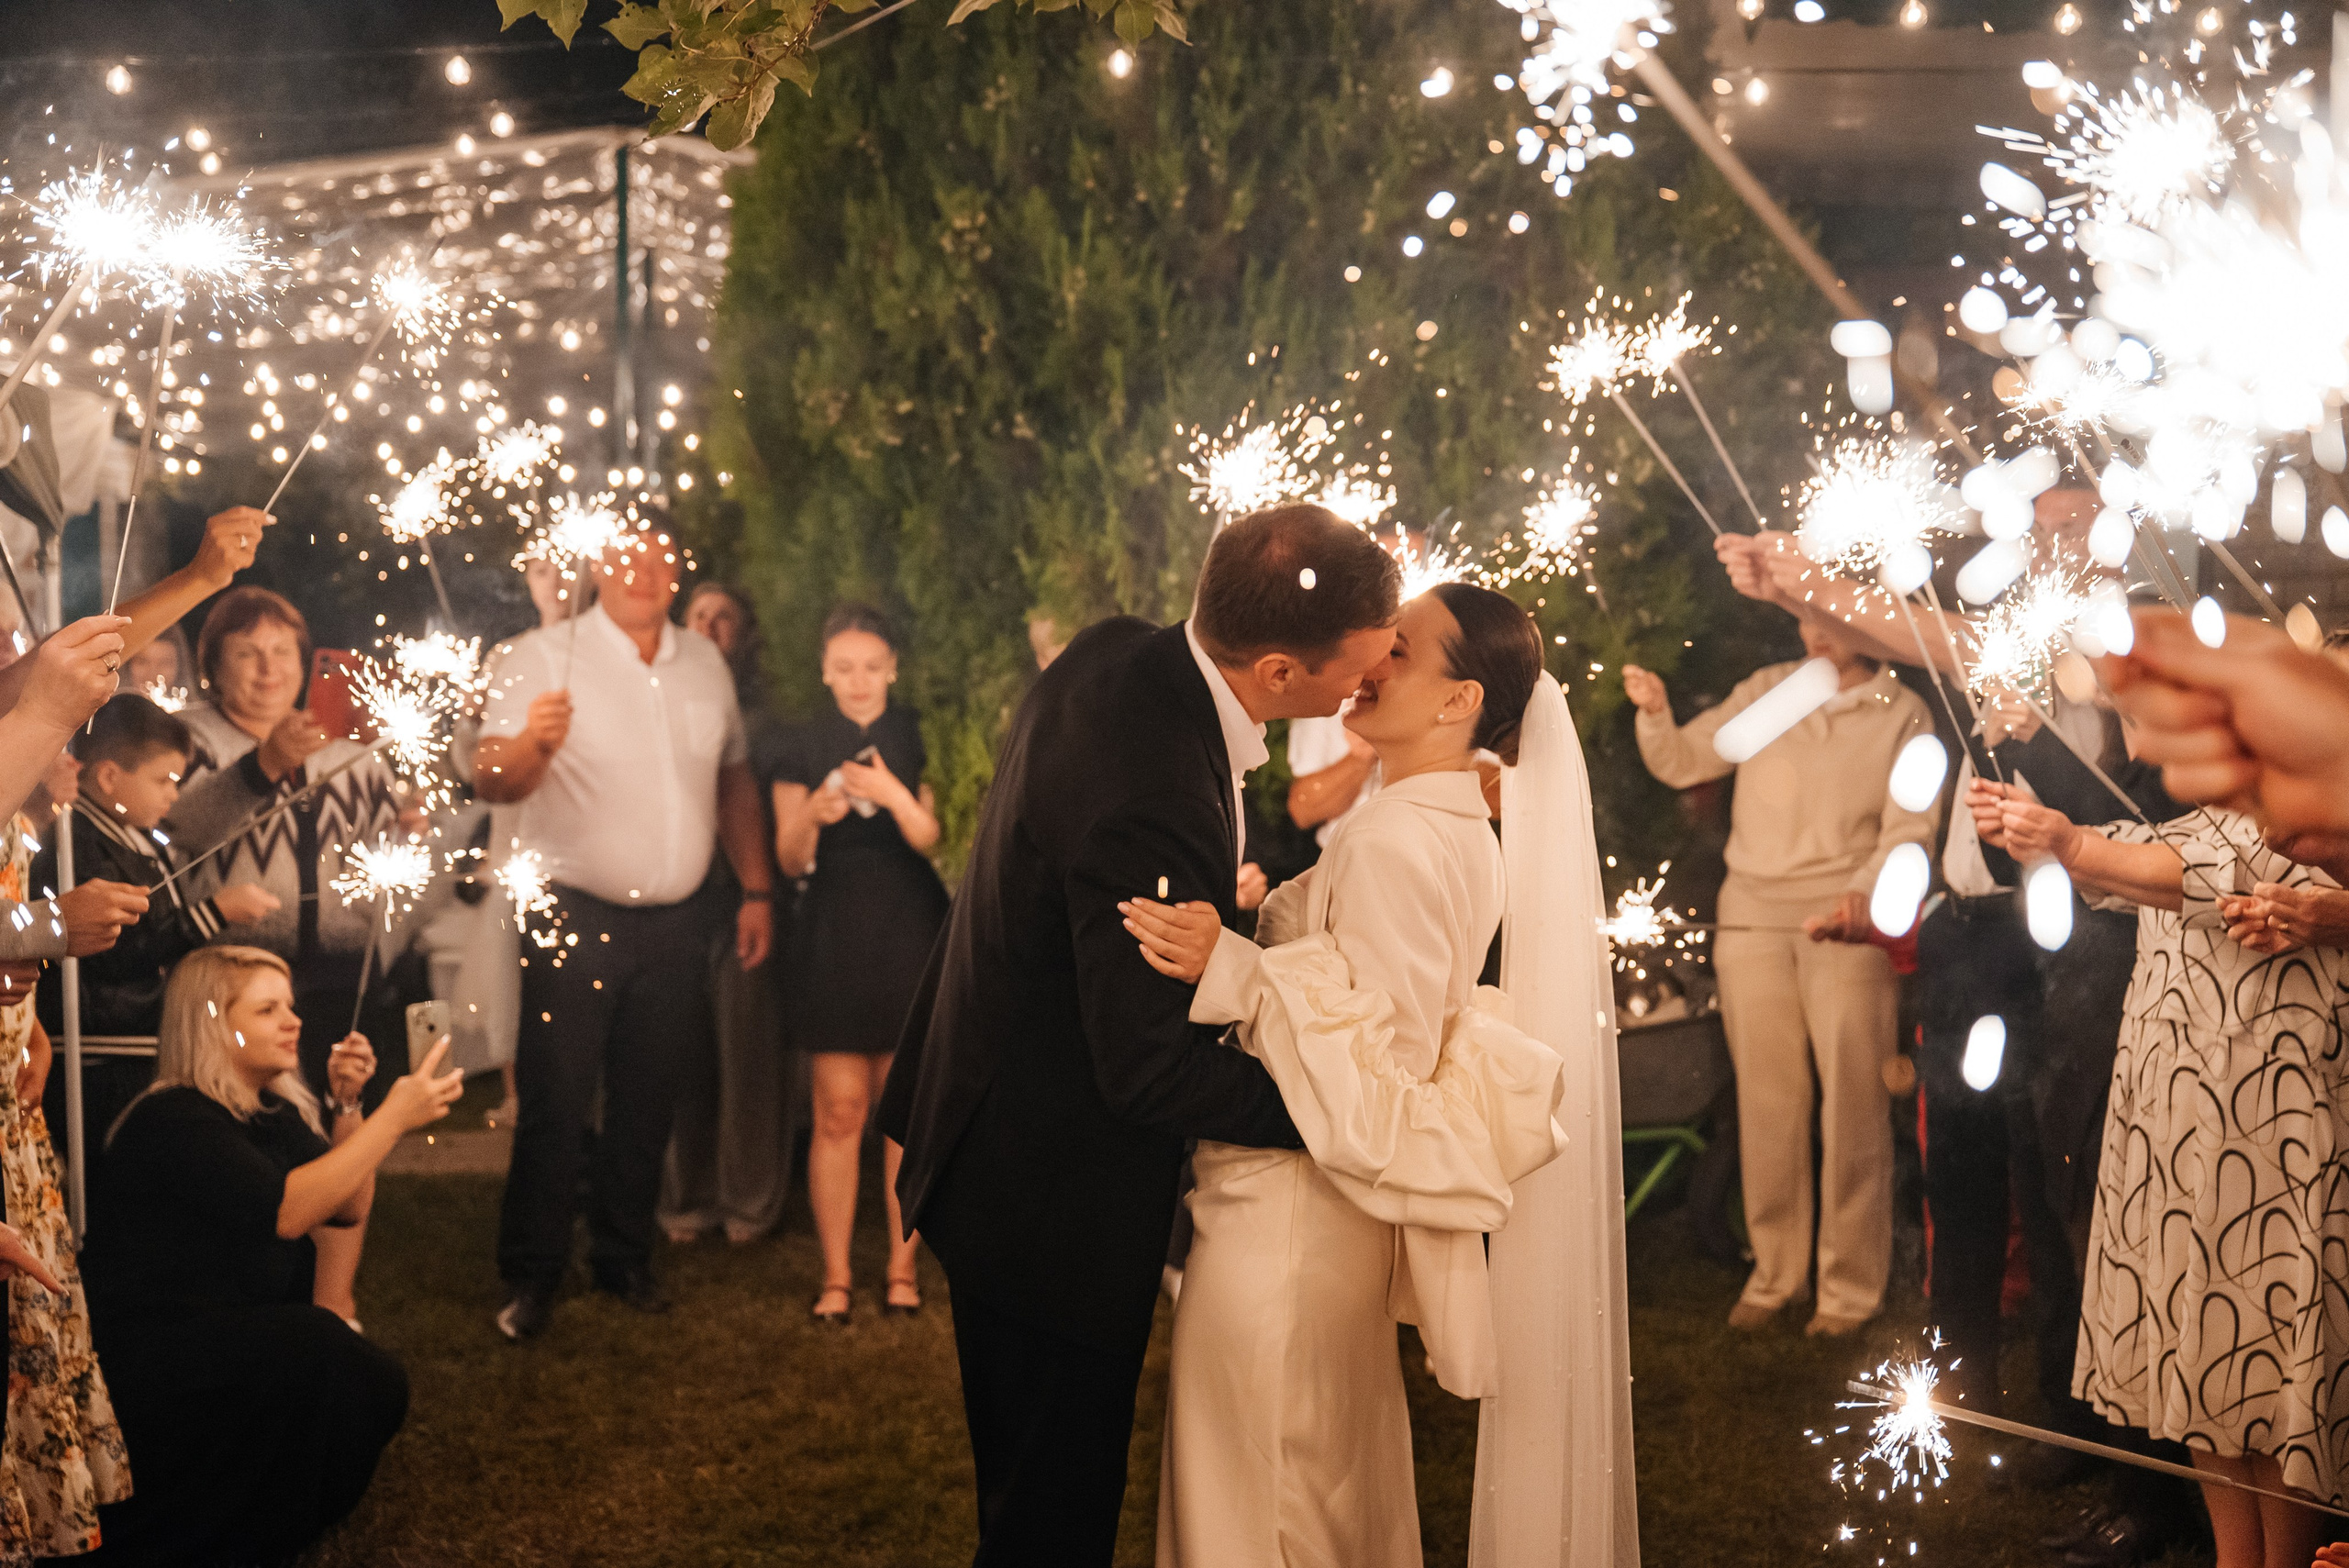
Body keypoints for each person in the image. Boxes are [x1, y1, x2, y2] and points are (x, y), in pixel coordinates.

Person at [875, 504, 1402, 1565]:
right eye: (1354, 667)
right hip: (1044, 1192)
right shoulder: (1153, 792)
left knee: (1029, 1493)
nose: (1367, 684)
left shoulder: (1122, 646)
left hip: (985, 1117)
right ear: (1274, 674)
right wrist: (1339, 1107)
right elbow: (1149, 1067)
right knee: (1049, 1517)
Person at [1120, 583, 1634, 1567]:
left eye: (1398, 651)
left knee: (1265, 1499)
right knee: (1315, 1489)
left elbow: (1381, 1084)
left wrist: (1235, 968)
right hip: (1319, 1224)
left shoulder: (1403, 838)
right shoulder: (1433, 825)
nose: (1367, 663)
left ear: (1457, 703)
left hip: (1294, 1226)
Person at [1973, 786, 2348, 1568]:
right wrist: (2056, 835)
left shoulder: (2315, 749)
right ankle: (2235, 1556)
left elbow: (2213, 869)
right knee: (2204, 1339)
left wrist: (2073, 843)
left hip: (2276, 1097)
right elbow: (2171, 846)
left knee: (2268, 1336)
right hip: (2185, 1099)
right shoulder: (2226, 770)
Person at [473, 521, 774, 1340]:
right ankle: (533, 1271)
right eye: (625, 556)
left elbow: (735, 776)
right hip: (575, 909)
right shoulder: (540, 656)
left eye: (658, 557)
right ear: (596, 567)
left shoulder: (703, 662)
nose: (642, 570)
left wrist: (756, 886)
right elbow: (490, 777)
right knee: (557, 1098)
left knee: (649, 1095)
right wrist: (534, 744)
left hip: (679, 916)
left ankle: (623, 1256)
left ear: (678, 571)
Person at [80, 945, 462, 1567]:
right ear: (212, 1021)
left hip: (234, 1338)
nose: (294, 1020)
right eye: (267, 1008)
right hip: (153, 1359)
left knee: (375, 1384)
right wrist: (394, 1118)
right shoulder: (173, 1116)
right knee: (318, 1344)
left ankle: (274, 1512)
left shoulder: (268, 1112)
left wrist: (348, 1106)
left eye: (289, 1004)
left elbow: (345, 1206)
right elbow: (287, 1210)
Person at [1622, 607, 1934, 1336]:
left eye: (1830, 620)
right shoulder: (1774, 689)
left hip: (1847, 921)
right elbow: (1686, 761)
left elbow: (1910, 830)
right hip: (1752, 913)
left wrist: (1864, 891)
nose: (1815, 636)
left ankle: (1849, 1289)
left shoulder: (1904, 714)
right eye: (1805, 621)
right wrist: (1658, 715)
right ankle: (1775, 1272)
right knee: (1767, 1098)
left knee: (1854, 1101)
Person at [167, 585, 409, 1330]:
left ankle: (334, 1296)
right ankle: (246, 1291)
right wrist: (261, 766)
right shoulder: (190, 739)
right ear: (213, 667)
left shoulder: (350, 749)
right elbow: (179, 830)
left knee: (343, 1122)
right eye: (247, 653)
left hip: (338, 971)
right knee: (248, 1133)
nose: (269, 670)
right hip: (236, 976)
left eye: (283, 653)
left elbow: (392, 860)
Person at [772, 604, 948, 1320]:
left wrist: (893, 795)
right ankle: (837, 1275)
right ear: (824, 670)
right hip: (834, 929)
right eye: (843, 667)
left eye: (871, 666)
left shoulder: (918, 734)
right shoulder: (800, 741)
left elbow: (934, 838)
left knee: (902, 1112)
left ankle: (902, 1269)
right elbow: (787, 856)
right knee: (840, 1109)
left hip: (910, 924)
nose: (858, 680)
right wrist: (814, 813)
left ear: (892, 669)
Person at [662, 581, 795, 1249]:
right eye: (700, 616)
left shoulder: (766, 723)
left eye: (725, 619)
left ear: (743, 638)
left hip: (745, 900)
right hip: (674, 905)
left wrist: (758, 893)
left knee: (748, 1053)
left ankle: (749, 1197)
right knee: (682, 1052)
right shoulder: (657, 702)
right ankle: (687, 1195)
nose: (711, 628)